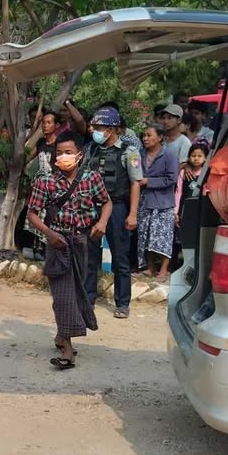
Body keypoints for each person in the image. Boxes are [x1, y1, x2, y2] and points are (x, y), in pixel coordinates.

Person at [26, 131, 112, 370]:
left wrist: (102, 223)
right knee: (62, 293)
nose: (63, 156)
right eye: (59, 152)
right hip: (58, 244)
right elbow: (32, 214)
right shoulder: (45, 181)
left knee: (76, 291)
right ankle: (67, 349)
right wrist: (50, 234)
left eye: (68, 152)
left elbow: (106, 202)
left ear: (79, 154)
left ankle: (62, 333)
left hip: (83, 242)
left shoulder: (91, 178)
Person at [83, 106, 143, 319]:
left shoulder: (129, 151)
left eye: (99, 127)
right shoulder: (91, 149)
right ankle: (88, 298)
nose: (94, 131)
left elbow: (135, 183)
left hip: (117, 207)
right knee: (89, 255)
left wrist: (133, 214)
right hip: (92, 207)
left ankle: (122, 303)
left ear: (112, 129)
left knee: (120, 257)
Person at [137, 124, 179, 281]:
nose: (145, 138)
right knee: (145, 235)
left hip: (163, 202)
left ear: (160, 137)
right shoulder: (140, 154)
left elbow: (171, 178)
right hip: (145, 201)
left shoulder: (169, 155)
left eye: (149, 135)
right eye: (144, 135)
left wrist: (149, 181)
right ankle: (149, 268)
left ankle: (163, 270)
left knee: (163, 237)